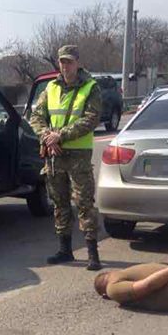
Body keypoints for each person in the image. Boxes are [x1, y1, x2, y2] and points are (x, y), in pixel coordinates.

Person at [29, 45, 102, 270]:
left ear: (78, 63)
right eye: (62, 61)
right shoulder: (50, 87)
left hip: (78, 154)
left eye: (69, 61)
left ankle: (92, 252)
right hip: (54, 154)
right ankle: (65, 249)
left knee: (84, 202)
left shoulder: (91, 87)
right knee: (60, 202)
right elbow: (36, 116)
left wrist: (59, 136)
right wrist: (46, 137)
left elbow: (91, 118)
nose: (65, 65)